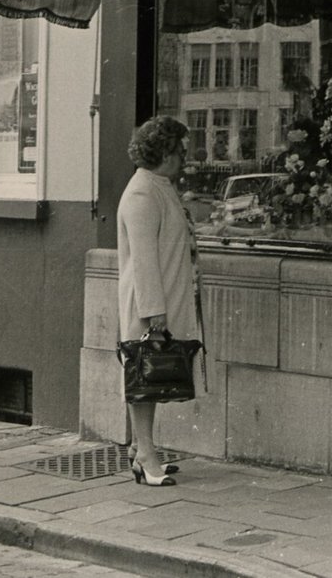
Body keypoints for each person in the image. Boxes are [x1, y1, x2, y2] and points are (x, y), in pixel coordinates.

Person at [118, 115, 201, 487]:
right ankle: (147, 454)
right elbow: (144, 259)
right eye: (180, 149)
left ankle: (141, 449)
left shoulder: (158, 186)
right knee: (144, 378)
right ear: (165, 151)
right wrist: (154, 314)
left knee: (147, 376)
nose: (184, 156)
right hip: (149, 304)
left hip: (162, 299)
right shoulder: (142, 193)